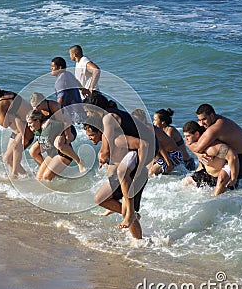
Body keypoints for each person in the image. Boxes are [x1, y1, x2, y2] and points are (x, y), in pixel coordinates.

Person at [82, 92, 154, 231]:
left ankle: (131, 216)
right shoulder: (112, 126)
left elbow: (108, 147)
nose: (88, 116)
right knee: (101, 198)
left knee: (122, 173)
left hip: (144, 151)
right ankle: (130, 218)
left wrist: (139, 171)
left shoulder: (109, 120)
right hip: (136, 154)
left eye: (88, 112)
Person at [192, 104, 242, 186]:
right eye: (199, 120)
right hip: (235, 155)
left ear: (212, 115)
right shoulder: (212, 121)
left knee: (221, 179)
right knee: (200, 172)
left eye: (204, 119)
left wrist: (234, 178)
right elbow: (189, 140)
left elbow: (198, 148)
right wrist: (199, 155)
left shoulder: (216, 128)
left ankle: (217, 196)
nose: (201, 123)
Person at [0, 83, 34, 178]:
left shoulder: (2, 104)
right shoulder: (6, 94)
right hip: (18, 130)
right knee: (7, 159)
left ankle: (15, 177)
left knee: (10, 159)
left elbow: (4, 124)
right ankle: (27, 178)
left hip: (26, 130)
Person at [29, 92, 86, 172]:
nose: (35, 109)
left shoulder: (54, 106)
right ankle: (46, 168)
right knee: (33, 151)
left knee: (59, 144)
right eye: (33, 106)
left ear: (43, 101)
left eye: (37, 106)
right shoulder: (37, 110)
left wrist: (67, 134)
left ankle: (79, 162)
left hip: (65, 129)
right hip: (50, 133)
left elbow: (66, 121)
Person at [182, 121, 239, 196]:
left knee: (215, 196)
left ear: (196, 134)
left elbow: (233, 156)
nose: (185, 138)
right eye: (185, 136)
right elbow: (188, 144)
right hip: (209, 173)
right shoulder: (192, 142)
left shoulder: (212, 148)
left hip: (221, 174)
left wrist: (234, 178)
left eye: (188, 136)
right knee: (186, 182)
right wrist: (198, 155)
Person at [27, 110, 78, 181]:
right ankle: (56, 174)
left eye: (30, 123)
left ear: (37, 121)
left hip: (62, 154)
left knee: (46, 178)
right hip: (52, 155)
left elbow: (66, 123)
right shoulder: (37, 130)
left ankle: (79, 163)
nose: (28, 125)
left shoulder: (50, 126)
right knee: (39, 178)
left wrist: (67, 135)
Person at [51, 56, 85, 123]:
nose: (51, 68)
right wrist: (83, 89)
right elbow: (77, 82)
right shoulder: (68, 74)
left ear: (60, 68)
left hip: (71, 115)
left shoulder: (60, 81)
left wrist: (56, 114)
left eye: (53, 66)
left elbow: (61, 98)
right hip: (79, 111)